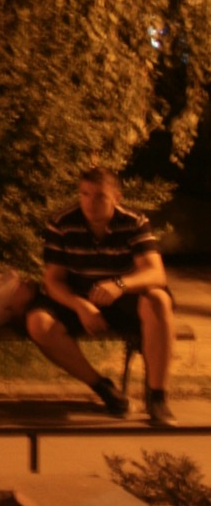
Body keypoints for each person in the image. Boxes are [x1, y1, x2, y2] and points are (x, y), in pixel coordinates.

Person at [25, 166, 176, 424]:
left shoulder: (134, 222)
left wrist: (121, 284)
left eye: (99, 196)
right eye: (84, 194)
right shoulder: (62, 223)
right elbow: (53, 281)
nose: (90, 203)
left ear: (116, 197)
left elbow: (155, 273)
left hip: (124, 298)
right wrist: (81, 306)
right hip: (78, 296)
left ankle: (157, 397)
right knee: (38, 323)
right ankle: (103, 388)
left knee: (159, 300)